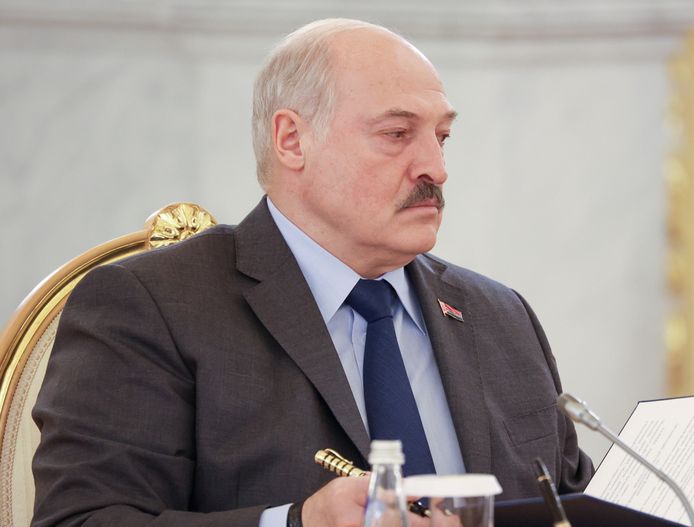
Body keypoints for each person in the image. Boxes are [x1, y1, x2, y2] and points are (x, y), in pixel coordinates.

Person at [31, 18, 593, 527]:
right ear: (292, 140)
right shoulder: (154, 306)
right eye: (397, 135)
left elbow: (575, 502)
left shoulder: (499, 315)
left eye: (441, 137)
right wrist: (297, 524)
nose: (436, 168)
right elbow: (82, 521)